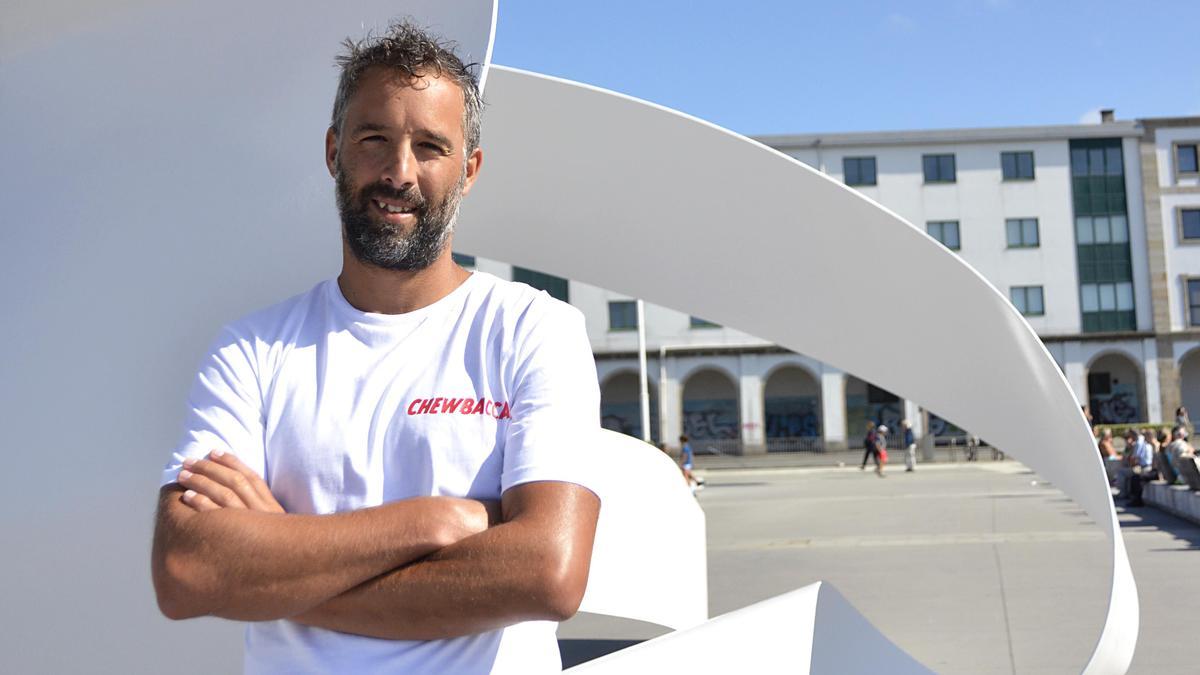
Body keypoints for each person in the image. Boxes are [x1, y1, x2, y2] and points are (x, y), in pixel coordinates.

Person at [150, 22, 601, 674]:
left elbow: (549, 574)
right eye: (374, 140)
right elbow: (185, 568)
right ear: (334, 151)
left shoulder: (533, 331)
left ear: (468, 169)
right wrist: (434, 520)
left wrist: (274, 562)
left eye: (430, 146)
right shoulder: (253, 349)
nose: (399, 172)